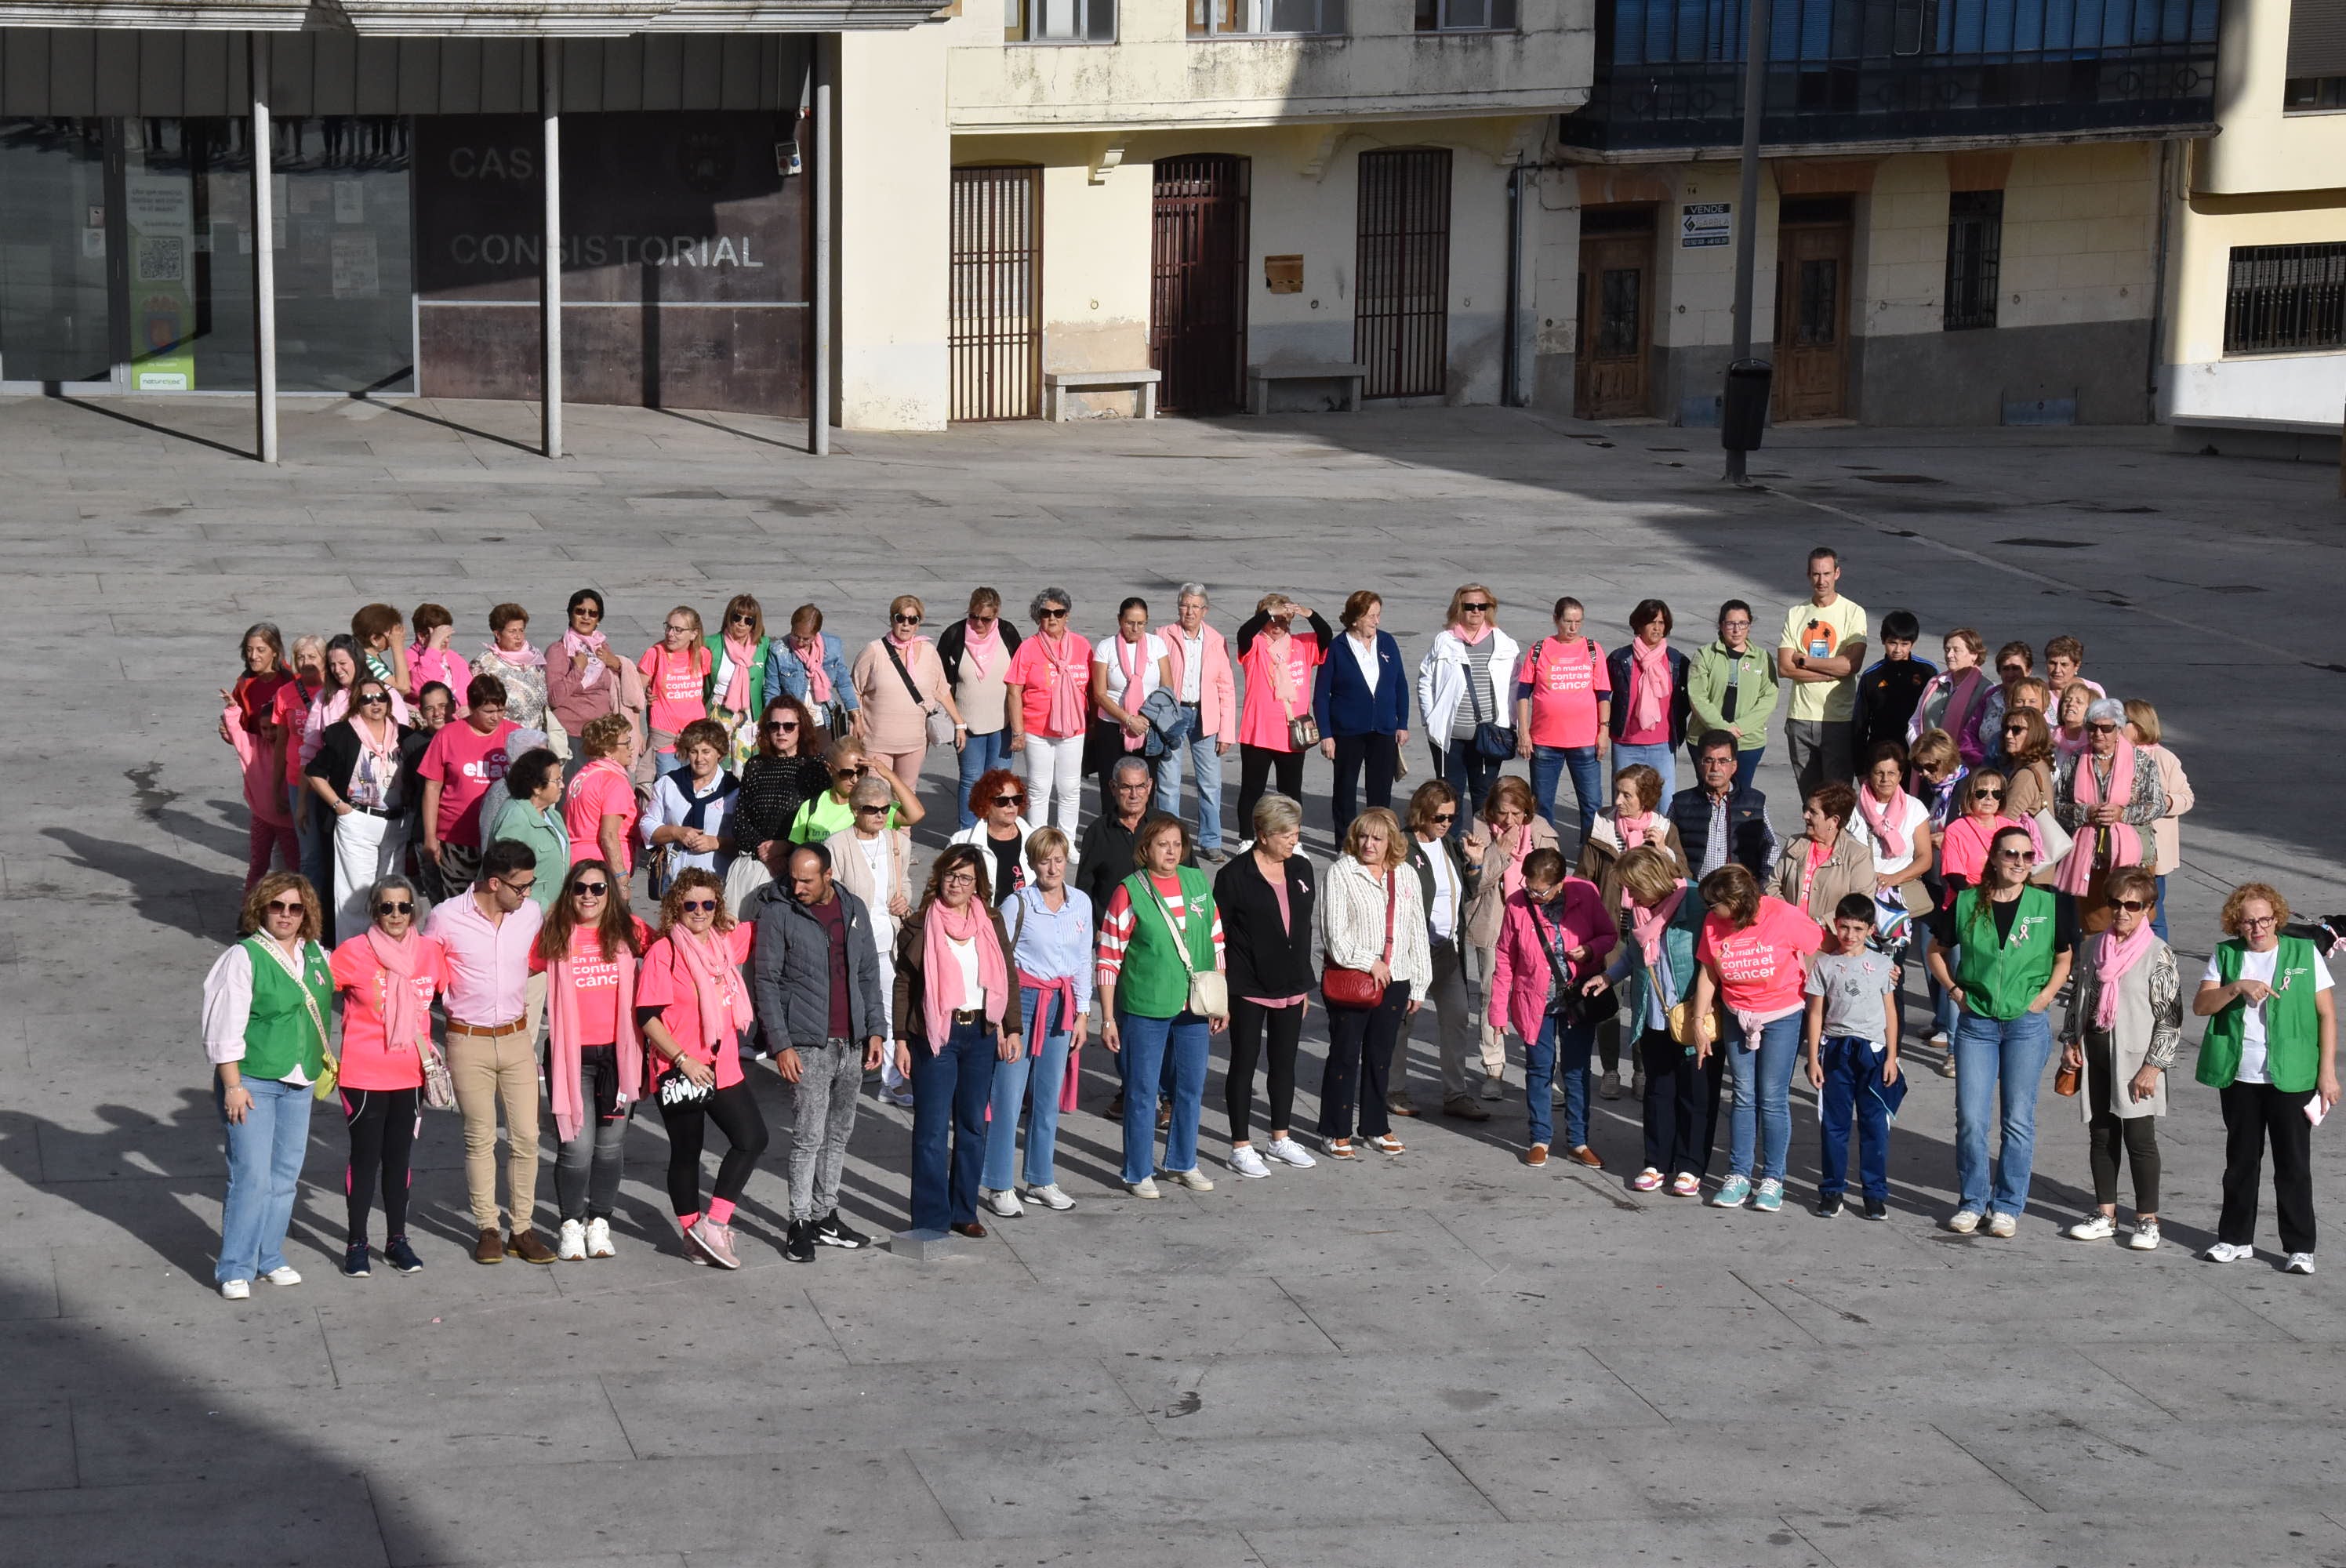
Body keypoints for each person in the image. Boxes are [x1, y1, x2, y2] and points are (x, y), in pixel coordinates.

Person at [1925, 824, 2076, 1236]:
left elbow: (2065, 957)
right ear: (1993, 858)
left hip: (2026, 1024)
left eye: (2028, 857)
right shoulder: (1968, 903)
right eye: (2011, 855)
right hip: (1976, 1024)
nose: (2020, 863)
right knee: (1972, 1118)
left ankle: (2007, 1204)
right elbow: (1935, 951)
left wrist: (2045, 997)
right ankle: (1973, 1200)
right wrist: (1955, 991)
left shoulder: (2051, 905)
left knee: (2017, 1119)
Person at [750, 844, 887, 1262]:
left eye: (807, 879)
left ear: (828, 875)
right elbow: (766, 982)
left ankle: (827, 1214)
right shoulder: (778, 912)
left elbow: (867, 972)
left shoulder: (853, 907)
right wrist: (781, 1044)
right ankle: (799, 1223)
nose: (798, 886)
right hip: (808, 1044)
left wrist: (877, 1032)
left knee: (839, 1134)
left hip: (853, 1043)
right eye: (793, 878)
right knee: (808, 1137)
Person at [2195, 882, 2339, 1274]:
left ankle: (2300, 1247)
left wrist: (2327, 1073)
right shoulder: (2226, 954)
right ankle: (2235, 1239)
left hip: (2292, 1075)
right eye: (2248, 922)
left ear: (2277, 917)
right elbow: (2201, 1006)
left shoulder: (2303, 952)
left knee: (2293, 1164)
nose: (2257, 929)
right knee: (2240, 1162)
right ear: (2236, 924)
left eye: (2264, 920)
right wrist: (2236, 988)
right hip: (2240, 1074)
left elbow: (2326, 1014)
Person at [202, 872, 334, 1300]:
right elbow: (223, 1027)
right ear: (261, 908)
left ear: (306, 913)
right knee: (251, 1177)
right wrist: (233, 1086)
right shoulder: (243, 957)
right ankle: (234, 1267)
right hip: (253, 1081)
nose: (286, 915)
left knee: (285, 1177)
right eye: (277, 906)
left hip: (298, 1081)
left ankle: (269, 1257)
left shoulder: (316, 954)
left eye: (295, 908)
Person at [422, 838, 552, 1265]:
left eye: (531, 885)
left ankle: (523, 1228)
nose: (528, 893)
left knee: (527, 1138)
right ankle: (487, 1228)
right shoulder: (444, 919)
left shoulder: (529, 914)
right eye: (521, 886)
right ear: (493, 883)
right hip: (466, 1039)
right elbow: (422, 976)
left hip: (517, 1038)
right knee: (479, 1138)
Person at [636, 867, 764, 1269]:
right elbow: (647, 1016)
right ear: (677, 905)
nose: (699, 911)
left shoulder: (726, 943)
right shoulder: (665, 952)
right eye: (690, 904)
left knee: (752, 1138)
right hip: (681, 1067)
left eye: (708, 904)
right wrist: (682, 1059)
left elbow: (768, 925)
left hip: (723, 1064)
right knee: (687, 1152)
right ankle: (693, 1236)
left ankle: (715, 1222)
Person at [894, 846, 1023, 1236]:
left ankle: (964, 1211)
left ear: (977, 885)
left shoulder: (991, 921)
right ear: (938, 877)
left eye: (965, 877)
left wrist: (1012, 1027)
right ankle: (932, 1220)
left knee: (972, 1126)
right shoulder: (920, 924)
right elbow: (904, 984)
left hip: (980, 1033)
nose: (956, 883)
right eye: (950, 875)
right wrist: (900, 1039)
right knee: (931, 1130)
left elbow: (1007, 974)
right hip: (936, 1036)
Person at [1099, 814, 1229, 1191]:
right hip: (1145, 1005)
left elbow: (1216, 939)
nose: (1171, 851)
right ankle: (1138, 1171)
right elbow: (1109, 956)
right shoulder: (1128, 890)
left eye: (1177, 844)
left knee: (1190, 1087)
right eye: (1162, 844)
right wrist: (1108, 1018)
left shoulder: (1196, 880)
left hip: (1195, 1005)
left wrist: (1221, 1000)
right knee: (1142, 1091)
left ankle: (1183, 1162)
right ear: (1145, 849)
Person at [1688, 862, 1825, 1213]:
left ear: (1736, 901)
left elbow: (1822, 943)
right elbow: (1708, 973)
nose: (1710, 911)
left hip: (1781, 1015)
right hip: (1737, 1015)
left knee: (1772, 1097)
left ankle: (1773, 1179)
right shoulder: (1714, 923)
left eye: (1714, 904)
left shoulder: (1781, 915)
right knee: (1744, 1095)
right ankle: (1739, 1175)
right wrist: (1699, 1021)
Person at [329, 873, 447, 1276]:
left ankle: (397, 1241)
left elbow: (454, 991)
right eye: (386, 907)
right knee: (364, 1161)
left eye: (404, 906)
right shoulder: (352, 953)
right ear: (373, 911)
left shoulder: (430, 953)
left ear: (414, 910)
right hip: (363, 1076)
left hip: (410, 1075)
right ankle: (356, 1243)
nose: (396, 914)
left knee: (399, 1160)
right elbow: (311, 990)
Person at [2056, 866, 2179, 1250]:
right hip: (2095, 1052)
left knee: (2140, 1140)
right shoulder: (2093, 946)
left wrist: (2153, 1066)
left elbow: (2171, 1017)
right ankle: (2105, 1214)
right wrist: (2070, 1041)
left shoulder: (2159, 954)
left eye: (2132, 905)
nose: (2122, 912)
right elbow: (2079, 999)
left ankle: (2147, 1220)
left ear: (2147, 910)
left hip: (2135, 1058)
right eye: (2116, 903)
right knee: (2101, 1134)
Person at [534, 858, 648, 1262]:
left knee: (609, 1148)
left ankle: (600, 1221)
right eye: (580, 887)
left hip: (619, 1057)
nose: (588, 895)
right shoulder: (553, 933)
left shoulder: (631, 931)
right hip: (571, 1058)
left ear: (609, 893)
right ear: (570, 892)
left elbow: (673, 950)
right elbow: (511, 965)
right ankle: (571, 1223)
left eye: (598, 888)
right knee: (576, 1148)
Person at [1585, 845, 1716, 1197]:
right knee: (1659, 1091)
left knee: (1694, 1095)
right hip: (1655, 1014)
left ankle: (1690, 1166)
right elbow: (1633, 954)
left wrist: (1705, 1011)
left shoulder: (1693, 901)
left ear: (1651, 879)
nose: (1629, 896)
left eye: (1633, 886)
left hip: (1692, 1016)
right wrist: (1609, 977)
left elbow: (1712, 957)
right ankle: (1656, 1162)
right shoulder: (1641, 913)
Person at [982, 826, 1092, 1212]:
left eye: (1059, 859)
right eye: (1045, 860)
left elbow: (1082, 960)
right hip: (1024, 1004)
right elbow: (1000, 962)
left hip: (1061, 1006)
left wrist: (1082, 1012)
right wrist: (1001, 1021)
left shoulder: (1081, 902)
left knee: (1047, 1099)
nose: (1053, 867)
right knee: (1008, 1097)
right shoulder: (1019, 903)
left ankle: (1040, 1178)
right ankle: (998, 1184)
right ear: (1031, 863)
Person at [1487, 847, 1616, 1167]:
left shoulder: (1585, 894)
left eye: (1540, 890)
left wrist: (1590, 950)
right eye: (1528, 886)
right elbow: (1504, 958)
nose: (1532, 894)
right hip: (1535, 1002)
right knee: (1538, 1069)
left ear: (1561, 883)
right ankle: (1540, 1138)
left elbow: (1609, 935)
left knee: (1576, 1072)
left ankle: (1578, 1141)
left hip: (1577, 1001)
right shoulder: (1517, 904)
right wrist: (1497, 1010)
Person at [1218, 795, 1320, 1176]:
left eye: (1296, 833)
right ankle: (1240, 1146)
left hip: (1291, 984)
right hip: (1247, 984)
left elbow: (1304, 928)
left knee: (1285, 1064)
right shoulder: (1234, 877)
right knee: (1244, 1064)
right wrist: (1222, 993)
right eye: (1287, 835)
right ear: (1262, 835)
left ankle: (1280, 1138)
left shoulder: (1302, 869)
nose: (1293, 840)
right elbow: (1220, 935)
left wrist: (1303, 984)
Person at [1316, 808, 1429, 1160]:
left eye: (1377, 838)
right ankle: (1335, 1130)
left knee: (1381, 1056)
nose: (1368, 844)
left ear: (1392, 843)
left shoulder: (1406, 875)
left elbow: (1416, 932)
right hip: (1354, 979)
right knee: (1345, 1054)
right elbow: (1334, 934)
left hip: (1396, 979)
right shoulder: (1341, 872)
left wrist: (1420, 983)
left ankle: (1376, 1126)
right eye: (1363, 836)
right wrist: (1370, 962)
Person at [1585, 762, 1694, 1101]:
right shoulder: (1602, 824)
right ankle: (1610, 1071)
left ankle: (1641, 1071)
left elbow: (1683, 880)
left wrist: (1662, 850)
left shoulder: (1664, 828)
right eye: (1617, 792)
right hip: (1611, 924)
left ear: (1645, 798)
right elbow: (1586, 875)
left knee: (1645, 999)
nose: (1618, 800)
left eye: (1627, 794)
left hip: (1650, 927)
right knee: (1608, 999)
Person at [1804, 892, 1901, 1220]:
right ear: (1836, 925)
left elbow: (1890, 1012)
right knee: (1834, 1124)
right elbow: (1816, 1012)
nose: (1850, 935)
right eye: (1844, 927)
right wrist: (1814, 1057)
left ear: (1871, 930)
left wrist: (1891, 1057)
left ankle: (1875, 1194)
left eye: (1858, 929)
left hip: (1873, 1052)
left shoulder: (1884, 966)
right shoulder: (1825, 964)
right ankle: (1832, 1191)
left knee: (1875, 1125)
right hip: (1836, 1050)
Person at [1464, 777, 1560, 1101]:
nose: (1509, 821)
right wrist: (1499, 852)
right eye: (1502, 813)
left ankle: (1547, 1073)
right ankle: (1494, 1068)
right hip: (1494, 923)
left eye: (1517, 813)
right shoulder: (1478, 830)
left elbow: (1556, 882)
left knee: (1543, 998)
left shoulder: (1542, 830)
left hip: (1536, 927)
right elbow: (1475, 886)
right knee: (1492, 996)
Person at [1396, 781, 1487, 1122]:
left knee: (1458, 1017)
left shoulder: (1448, 845)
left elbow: (1466, 892)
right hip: (1411, 952)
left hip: (1447, 949)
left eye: (1451, 817)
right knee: (1403, 1022)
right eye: (1439, 817)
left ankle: (1456, 1093)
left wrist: (1475, 865)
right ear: (1422, 811)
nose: (1446, 823)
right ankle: (1394, 1090)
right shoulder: (1402, 846)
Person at [304, 673, 412, 942]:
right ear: (357, 705)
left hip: (397, 823)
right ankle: (352, 962)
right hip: (358, 819)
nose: (375, 703)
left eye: (380, 698)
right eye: (366, 699)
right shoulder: (343, 734)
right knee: (356, 895)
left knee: (392, 896)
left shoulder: (405, 735)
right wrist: (340, 806)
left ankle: (387, 953)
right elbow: (314, 772)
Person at [2054, 698, 2168, 935]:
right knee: (2094, 925)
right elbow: (2058, 805)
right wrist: (2087, 812)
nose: (2099, 733)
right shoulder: (2076, 761)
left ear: (2118, 730)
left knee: (2135, 922)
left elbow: (2157, 805)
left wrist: (2122, 814)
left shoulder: (2141, 763)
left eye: (2106, 728)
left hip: (2134, 857)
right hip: (2090, 859)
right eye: (2092, 727)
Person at [1418, 585, 1520, 838]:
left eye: (1481, 606)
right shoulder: (1445, 640)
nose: (1476, 611)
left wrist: (1510, 722)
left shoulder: (1505, 644)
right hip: (1449, 735)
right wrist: (1430, 720)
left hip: (1488, 735)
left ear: (1489, 609)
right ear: (1458, 608)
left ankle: (1482, 849)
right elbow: (1425, 680)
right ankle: (1450, 851)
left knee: (1484, 795)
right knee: (1448, 795)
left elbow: (1516, 685)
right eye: (1469, 606)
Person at [1511, 596, 1613, 842]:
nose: (1573, 628)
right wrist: (1523, 732)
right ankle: (1546, 853)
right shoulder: (1539, 649)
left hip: (1585, 740)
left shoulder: (1592, 649)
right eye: (1568, 621)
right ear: (1556, 620)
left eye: (1578, 621)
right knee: (1543, 804)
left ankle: (1591, 858)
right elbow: (1523, 692)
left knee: (1591, 804)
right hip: (1546, 740)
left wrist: (1604, 731)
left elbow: (1603, 694)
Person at [1316, 589, 1411, 843]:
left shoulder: (1388, 642)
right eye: (1371, 616)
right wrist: (1326, 734)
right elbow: (1322, 694)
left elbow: (1400, 684)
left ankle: (1380, 840)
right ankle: (1345, 844)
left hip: (1383, 729)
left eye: (1378, 615)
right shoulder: (1337, 648)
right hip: (1347, 731)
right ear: (1355, 618)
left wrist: (1402, 723)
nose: (1377, 621)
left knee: (1380, 792)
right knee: (1345, 789)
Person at [1237, 593, 1334, 837]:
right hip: (1258, 733)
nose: (1278, 626)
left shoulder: (1302, 645)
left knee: (1291, 793)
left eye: (1283, 621)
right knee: (1252, 790)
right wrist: (1269, 612)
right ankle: (1247, 839)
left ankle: (1291, 837)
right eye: (1273, 621)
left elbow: (1326, 635)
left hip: (1292, 735)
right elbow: (1243, 634)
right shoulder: (1256, 645)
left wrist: (1306, 612)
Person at [1776, 545, 1868, 795]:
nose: (1821, 580)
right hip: (1801, 717)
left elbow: (1851, 665)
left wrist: (1805, 661)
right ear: (1808, 575)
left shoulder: (1853, 612)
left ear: (1837, 573)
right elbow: (1784, 667)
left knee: (1837, 797)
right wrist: (1831, 671)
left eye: (1827, 574)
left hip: (1837, 719)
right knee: (1810, 799)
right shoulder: (1797, 613)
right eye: (1816, 574)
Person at [1154, 584, 1237, 862]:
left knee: (1210, 783)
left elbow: (1226, 687)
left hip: (1205, 715)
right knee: (1168, 782)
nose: (1189, 611)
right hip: (1173, 715)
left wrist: (1226, 731)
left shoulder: (1215, 639)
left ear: (1205, 611)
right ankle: (1169, 842)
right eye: (1184, 605)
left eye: (1195, 607)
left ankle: (1211, 840)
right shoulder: (1163, 635)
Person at [416, 674, 518, 896]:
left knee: (498, 901)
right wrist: (430, 836)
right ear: (471, 707)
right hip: (457, 838)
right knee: (459, 902)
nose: (496, 717)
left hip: (501, 836)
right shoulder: (448, 736)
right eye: (489, 711)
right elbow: (432, 788)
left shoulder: (515, 735)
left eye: (500, 710)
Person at [1003, 587, 1092, 837]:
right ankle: (1038, 839)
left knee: (1070, 788)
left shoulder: (1082, 645)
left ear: (1067, 616)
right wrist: (1018, 731)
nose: (1052, 618)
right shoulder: (1028, 648)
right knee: (1039, 788)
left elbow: (1094, 687)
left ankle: (1067, 839)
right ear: (1038, 616)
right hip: (1037, 729)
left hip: (1074, 728)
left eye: (1058, 613)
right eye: (1046, 613)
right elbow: (1013, 691)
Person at [853, 593, 963, 789]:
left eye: (912, 620)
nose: (906, 624)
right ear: (891, 619)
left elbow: (942, 689)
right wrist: (857, 721)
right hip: (876, 741)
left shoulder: (929, 652)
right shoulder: (874, 650)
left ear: (918, 624)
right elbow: (855, 690)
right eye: (900, 618)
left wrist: (959, 724)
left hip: (914, 742)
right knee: (874, 796)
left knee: (906, 797)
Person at [223, 622, 298, 892]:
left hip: (289, 764)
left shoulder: (291, 681)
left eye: (260, 650)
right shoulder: (245, 684)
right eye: (249, 649)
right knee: (261, 856)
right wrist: (228, 728)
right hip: (260, 765)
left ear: (275, 652)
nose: (253, 656)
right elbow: (239, 724)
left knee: (291, 854)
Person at [939, 587, 1022, 831]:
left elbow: (1020, 678)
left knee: (1000, 783)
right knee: (971, 781)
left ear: (997, 614)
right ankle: (968, 833)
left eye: (986, 619)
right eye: (974, 616)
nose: (978, 624)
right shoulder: (954, 635)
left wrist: (1019, 727)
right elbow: (942, 683)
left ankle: (995, 831)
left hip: (1003, 724)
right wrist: (956, 722)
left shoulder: (1008, 633)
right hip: (968, 724)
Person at [1684, 599, 1775, 800]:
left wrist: (1740, 727)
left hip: (1747, 742)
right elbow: (1697, 696)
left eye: (1742, 623)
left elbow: (1768, 697)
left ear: (1749, 626)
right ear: (1721, 625)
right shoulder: (1705, 655)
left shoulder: (1762, 657)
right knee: (1708, 795)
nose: (1737, 629)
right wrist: (1723, 729)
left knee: (1740, 797)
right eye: (1731, 624)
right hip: (1705, 739)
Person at [1088, 595, 1171, 804]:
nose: (1135, 628)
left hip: (1147, 725)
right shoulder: (1106, 647)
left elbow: (1167, 688)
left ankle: (1143, 832)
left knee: (1145, 787)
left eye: (1141, 623)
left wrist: (1144, 718)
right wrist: (1127, 719)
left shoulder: (1157, 644)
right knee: (1112, 786)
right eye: (1130, 623)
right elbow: (1099, 693)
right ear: (1119, 620)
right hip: (1112, 725)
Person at [732, 695, 830, 871]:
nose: (781, 731)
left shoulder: (816, 766)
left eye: (789, 726)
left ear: (802, 728)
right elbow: (741, 821)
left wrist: (787, 845)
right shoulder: (755, 766)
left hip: (802, 863)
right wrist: (765, 851)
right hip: (757, 862)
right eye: (774, 726)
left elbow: (823, 821)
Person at [2123, 699, 2193, 942]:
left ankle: (2158, 961)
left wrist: (2164, 802)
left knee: (2153, 912)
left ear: (2139, 726)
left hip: (2153, 854)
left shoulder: (2164, 758)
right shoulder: (2116, 756)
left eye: (2123, 722)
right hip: (2122, 848)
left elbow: (2187, 797)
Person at [1606, 598, 1690, 797]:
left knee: (1665, 802)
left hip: (1662, 745)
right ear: (1639, 624)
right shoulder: (1619, 659)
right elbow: (1603, 696)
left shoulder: (1676, 660)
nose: (1657, 628)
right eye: (1652, 622)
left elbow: (1689, 696)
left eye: (1661, 623)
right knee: (1625, 802)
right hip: (1626, 744)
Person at [545, 590, 634, 775]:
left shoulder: (602, 647)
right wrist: (578, 670)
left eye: (592, 613)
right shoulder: (558, 650)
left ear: (598, 618)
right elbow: (554, 698)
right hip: (573, 736)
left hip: (603, 736)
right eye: (580, 611)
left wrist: (616, 663)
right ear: (570, 614)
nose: (586, 617)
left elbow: (620, 682)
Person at [643, 718, 740, 887]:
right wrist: (676, 832)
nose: (699, 759)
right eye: (694, 751)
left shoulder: (734, 790)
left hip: (719, 879)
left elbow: (744, 840)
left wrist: (716, 842)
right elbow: (647, 825)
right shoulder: (669, 784)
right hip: (676, 878)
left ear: (720, 753)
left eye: (706, 751)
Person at [1768, 782, 1875, 931]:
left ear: (1834, 821)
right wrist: (1790, 918)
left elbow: (1861, 904)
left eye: (1813, 812)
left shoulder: (1857, 855)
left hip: (1831, 940)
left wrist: (1820, 922)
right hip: (1787, 931)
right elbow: (1772, 886)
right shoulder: (1795, 844)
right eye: (1805, 809)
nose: (1805, 816)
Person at [274, 633, 332, 898]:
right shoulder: (285, 694)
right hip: (298, 780)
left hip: (331, 781)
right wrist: (277, 787)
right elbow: (281, 742)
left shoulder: (335, 692)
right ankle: (310, 914)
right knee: (310, 853)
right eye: (301, 657)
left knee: (333, 848)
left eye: (312, 656)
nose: (306, 662)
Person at [1662, 735, 1765, 881]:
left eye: (1723, 761)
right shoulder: (1681, 803)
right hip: (1692, 889)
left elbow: (1771, 848)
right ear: (1700, 765)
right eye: (1709, 761)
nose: (1715, 768)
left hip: (1737, 891)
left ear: (1734, 766)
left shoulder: (1754, 802)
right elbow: (1665, 844)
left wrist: (1764, 885)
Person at [791, 738, 924, 844]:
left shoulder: (873, 806)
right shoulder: (811, 807)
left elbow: (916, 814)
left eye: (861, 772)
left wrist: (890, 775)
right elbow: (797, 849)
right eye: (847, 773)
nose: (855, 779)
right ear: (830, 769)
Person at [488, 748, 569, 913]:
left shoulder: (552, 815)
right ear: (537, 787)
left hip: (554, 913)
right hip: (526, 913)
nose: (563, 785)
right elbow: (507, 876)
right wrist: (544, 905)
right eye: (557, 780)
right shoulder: (515, 818)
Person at [563, 713, 641, 881]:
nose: (631, 747)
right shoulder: (613, 781)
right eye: (626, 743)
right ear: (608, 750)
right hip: (602, 866)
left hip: (576, 861)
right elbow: (609, 835)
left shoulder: (582, 775)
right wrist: (620, 875)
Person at [638, 605, 713, 779]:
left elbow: (710, 690)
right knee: (670, 790)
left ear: (693, 634)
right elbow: (633, 692)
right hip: (666, 739)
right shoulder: (655, 654)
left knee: (696, 789)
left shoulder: (702, 655)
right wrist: (637, 729)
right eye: (669, 627)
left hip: (697, 738)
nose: (671, 634)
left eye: (678, 630)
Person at [766, 604, 859, 740]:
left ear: (816, 634)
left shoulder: (833, 646)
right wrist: (772, 723)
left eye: (806, 638)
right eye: (796, 636)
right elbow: (772, 690)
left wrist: (855, 714)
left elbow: (844, 682)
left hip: (824, 722)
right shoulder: (779, 651)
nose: (800, 642)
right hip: (791, 725)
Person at [1852, 609, 1934, 762]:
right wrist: (1860, 767)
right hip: (1881, 753)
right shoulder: (1871, 676)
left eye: (1904, 644)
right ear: (1883, 640)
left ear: (1913, 643)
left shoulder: (1927, 672)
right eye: (1893, 643)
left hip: (1917, 753)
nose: (1898, 650)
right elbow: (1860, 723)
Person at [947, 767, 1036, 906]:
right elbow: (945, 887)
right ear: (986, 805)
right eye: (1002, 801)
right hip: (981, 921)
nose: (1011, 805)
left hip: (1026, 922)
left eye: (1016, 799)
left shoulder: (1035, 839)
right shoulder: (962, 841)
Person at [704, 593, 772, 768]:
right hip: (718, 711)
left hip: (749, 713)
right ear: (729, 618)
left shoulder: (763, 645)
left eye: (748, 620)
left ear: (755, 624)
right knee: (717, 765)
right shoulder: (710, 643)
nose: (741, 623)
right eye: (737, 617)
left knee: (745, 766)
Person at [403, 683, 456, 898]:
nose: (437, 714)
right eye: (429, 708)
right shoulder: (412, 744)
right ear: (422, 712)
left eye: (443, 706)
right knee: (437, 898)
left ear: (453, 707)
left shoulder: (466, 735)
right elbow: (409, 790)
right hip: (426, 832)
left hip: (458, 832)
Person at [1910, 627, 1992, 765]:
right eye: (1947, 650)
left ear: (1974, 654)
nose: (1949, 655)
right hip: (1926, 764)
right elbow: (1915, 722)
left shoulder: (1985, 689)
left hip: (1962, 767)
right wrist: (1920, 750)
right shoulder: (1935, 683)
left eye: (1956, 650)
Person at [473, 604, 547, 731]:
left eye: (521, 630)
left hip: (535, 738)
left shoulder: (534, 659)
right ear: (498, 634)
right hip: (503, 737)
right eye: (512, 631)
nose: (518, 636)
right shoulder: (484, 663)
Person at [1999, 706, 2057, 844]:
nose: (2008, 735)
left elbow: (2006, 823)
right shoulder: (2040, 764)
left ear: (2034, 734)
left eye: (2016, 730)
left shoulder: (2026, 776)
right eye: (2006, 729)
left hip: (2024, 859)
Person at [407, 604, 470, 718]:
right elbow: (423, 687)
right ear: (421, 636)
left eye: (448, 636)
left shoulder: (455, 658)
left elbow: (471, 691)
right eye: (440, 637)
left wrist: (471, 708)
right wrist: (433, 649)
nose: (446, 641)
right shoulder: (408, 658)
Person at [1976, 641, 2036, 758]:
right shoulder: (1991, 696)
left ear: (2028, 671)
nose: (2010, 674)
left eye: (2015, 668)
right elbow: (1969, 735)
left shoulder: (2036, 698)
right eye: (2005, 669)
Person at [351, 603, 414, 696]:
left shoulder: (369, 656)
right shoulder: (368, 662)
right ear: (374, 639)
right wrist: (398, 647)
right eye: (391, 635)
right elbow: (403, 688)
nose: (394, 638)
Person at [2043, 633, 2106, 707]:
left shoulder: (2093, 690)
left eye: (2064, 664)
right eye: (2052, 663)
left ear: (2077, 666)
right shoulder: (2038, 694)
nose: (2057, 670)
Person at [2054, 681, 2094, 764]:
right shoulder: (2050, 738)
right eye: (2067, 701)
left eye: (2079, 702)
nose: (2071, 704)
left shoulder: (2093, 742)